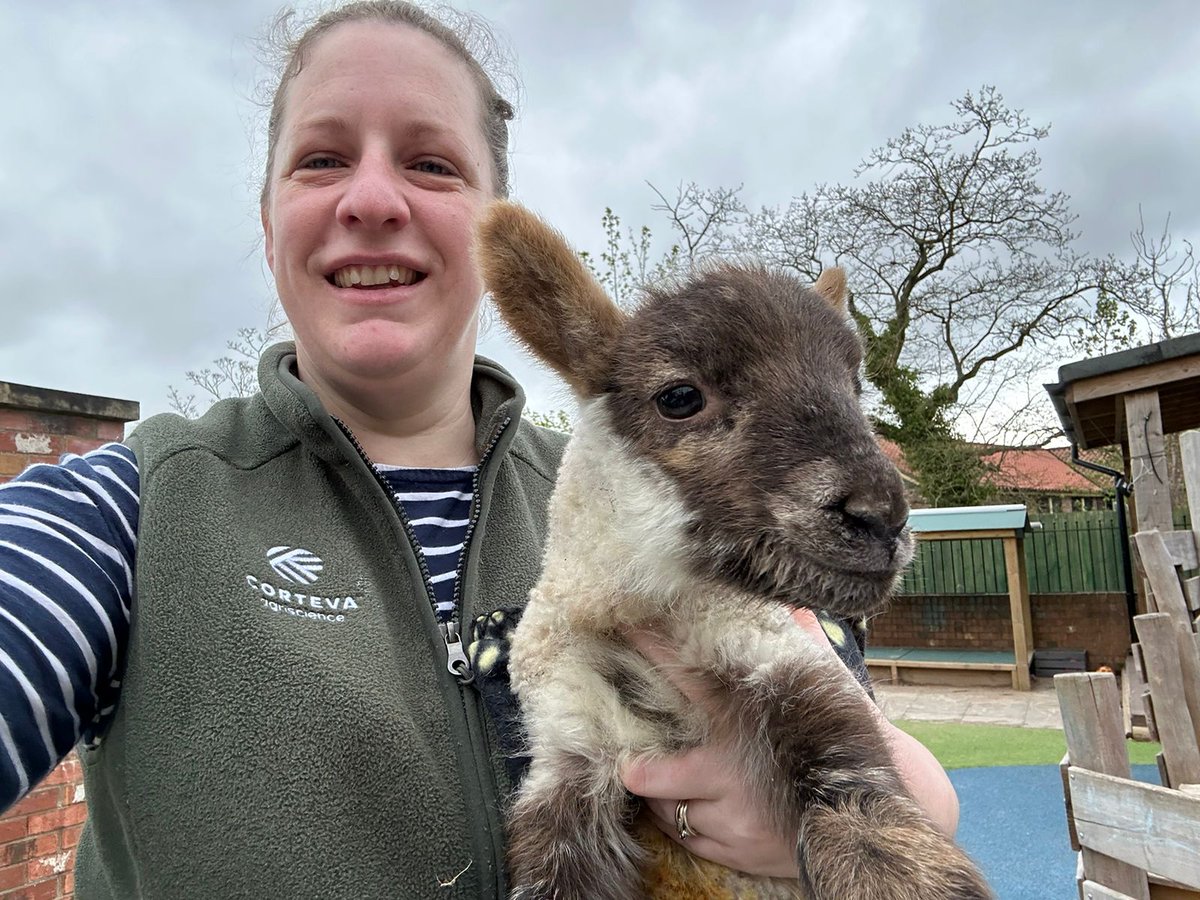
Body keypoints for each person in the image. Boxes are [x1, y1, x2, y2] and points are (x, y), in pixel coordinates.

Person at [0, 2, 958, 897]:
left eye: (430, 165)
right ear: (266, 222)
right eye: (322, 160)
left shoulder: (667, 513)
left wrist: (864, 798)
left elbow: (856, 718)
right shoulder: (137, 511)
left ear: (492, 220)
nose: (372, 198)